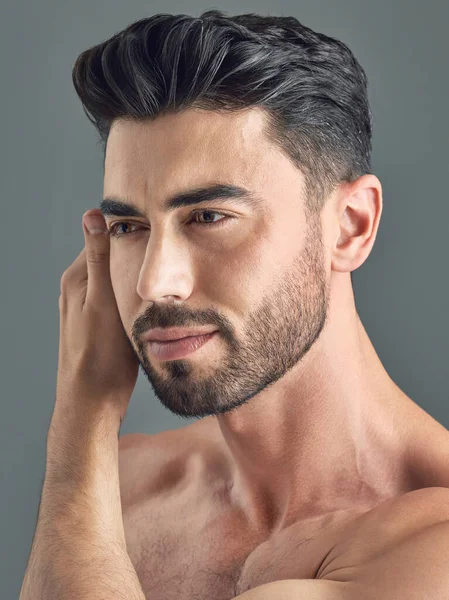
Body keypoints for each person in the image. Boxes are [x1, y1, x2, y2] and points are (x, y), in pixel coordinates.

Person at [20, 9, 449, 600]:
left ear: (350, 227)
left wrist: (83, 412)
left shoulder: (432, 544)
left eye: (209, 217)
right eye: (128, 226)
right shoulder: (118, 489)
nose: (153, 283)